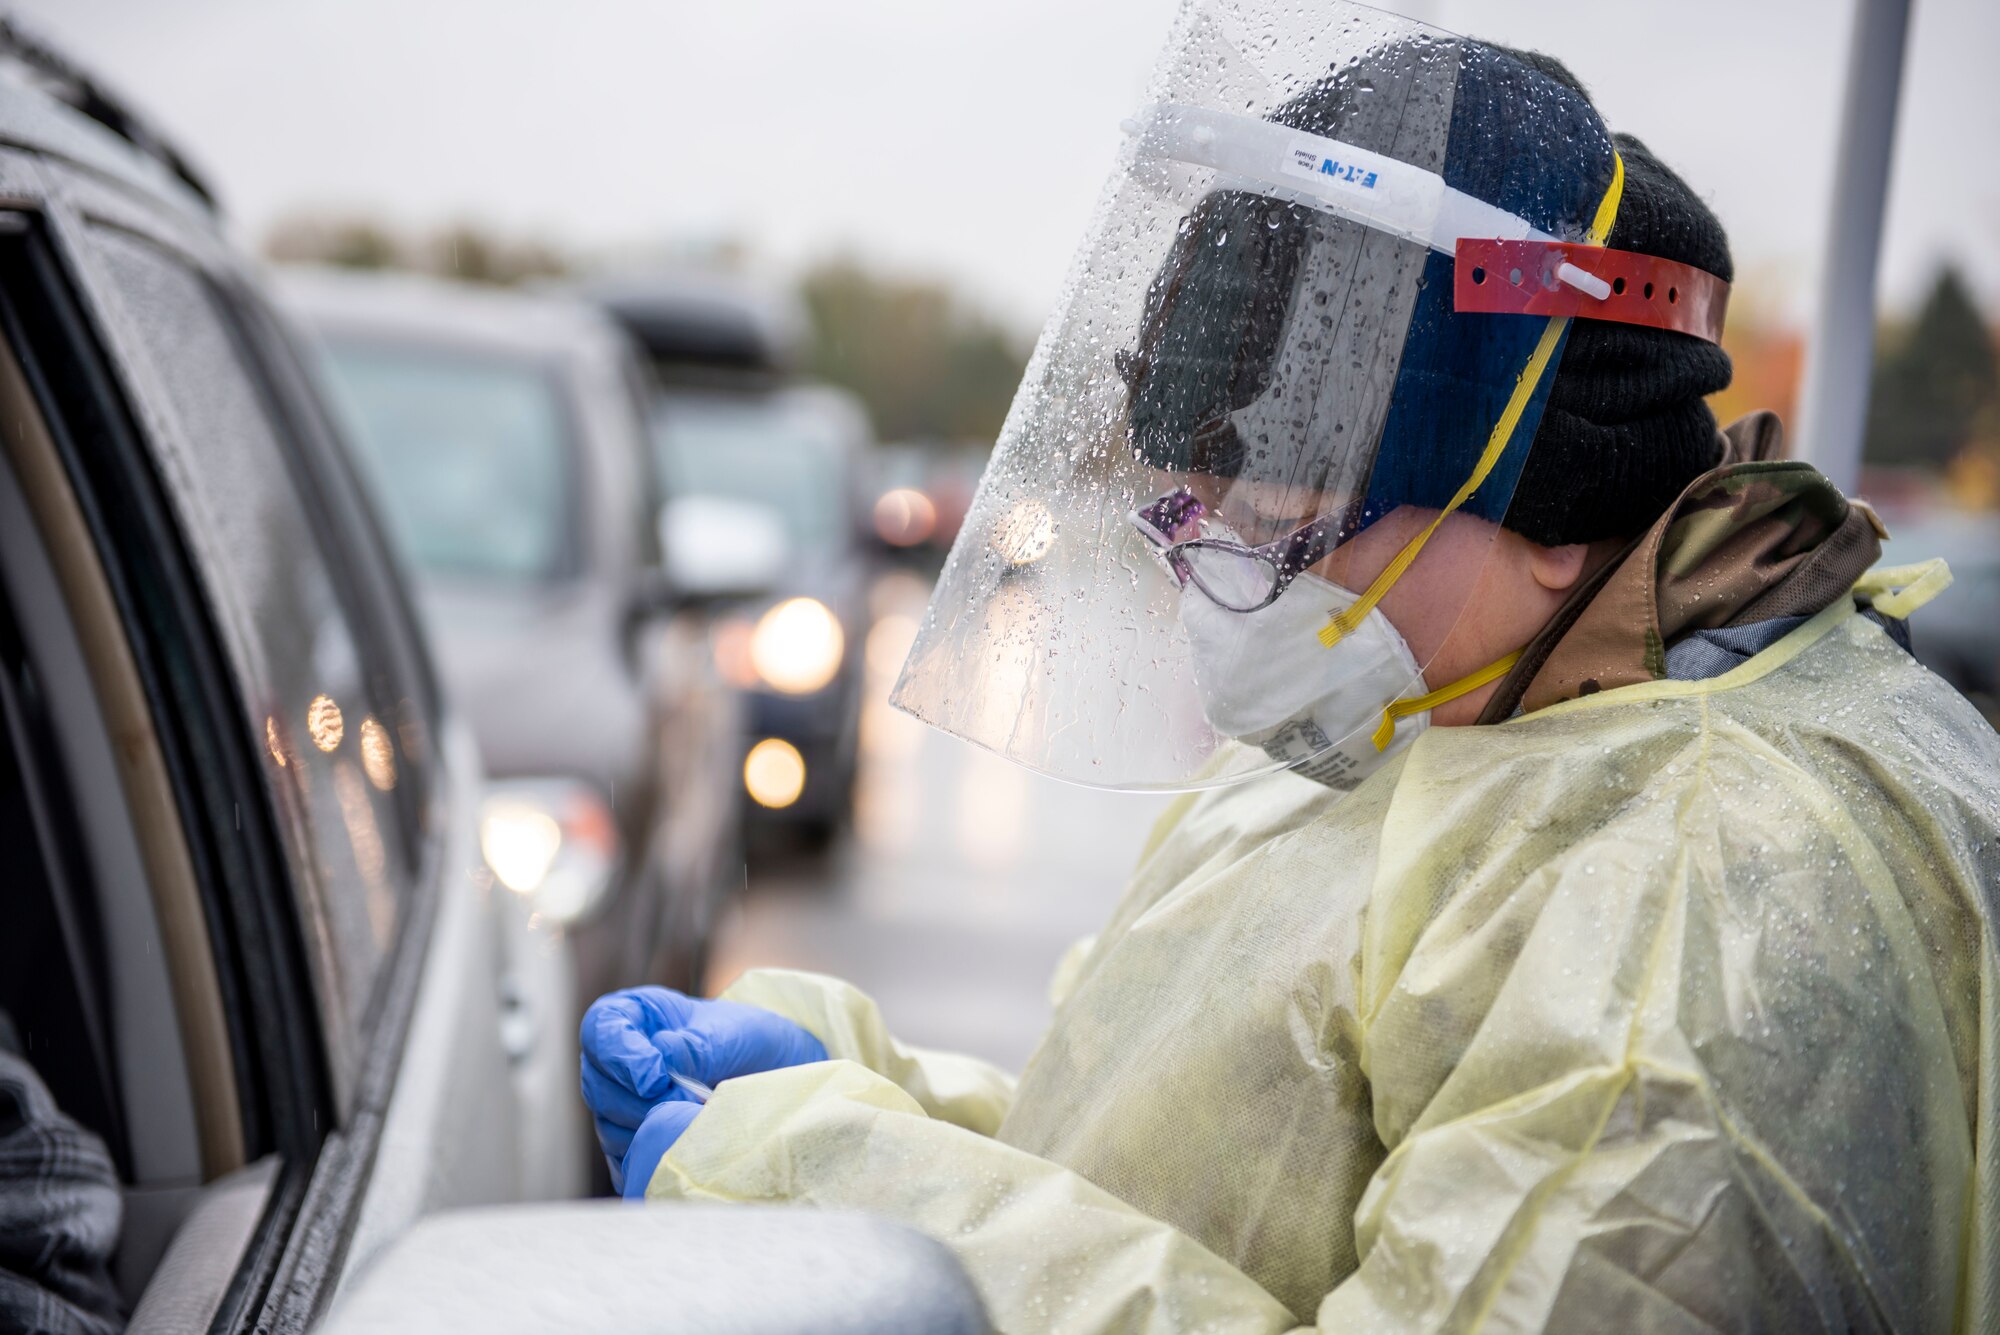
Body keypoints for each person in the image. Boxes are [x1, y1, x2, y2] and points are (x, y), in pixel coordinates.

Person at [582, 8, 2000, 1331]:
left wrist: (851, 1197)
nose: (1217, 577)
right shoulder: (1430, 711)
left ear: (1554, 516)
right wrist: (878, 1108)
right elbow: (1215, 1176)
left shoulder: (1703, 907)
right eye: (1188, 511)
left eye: (1279, 522)